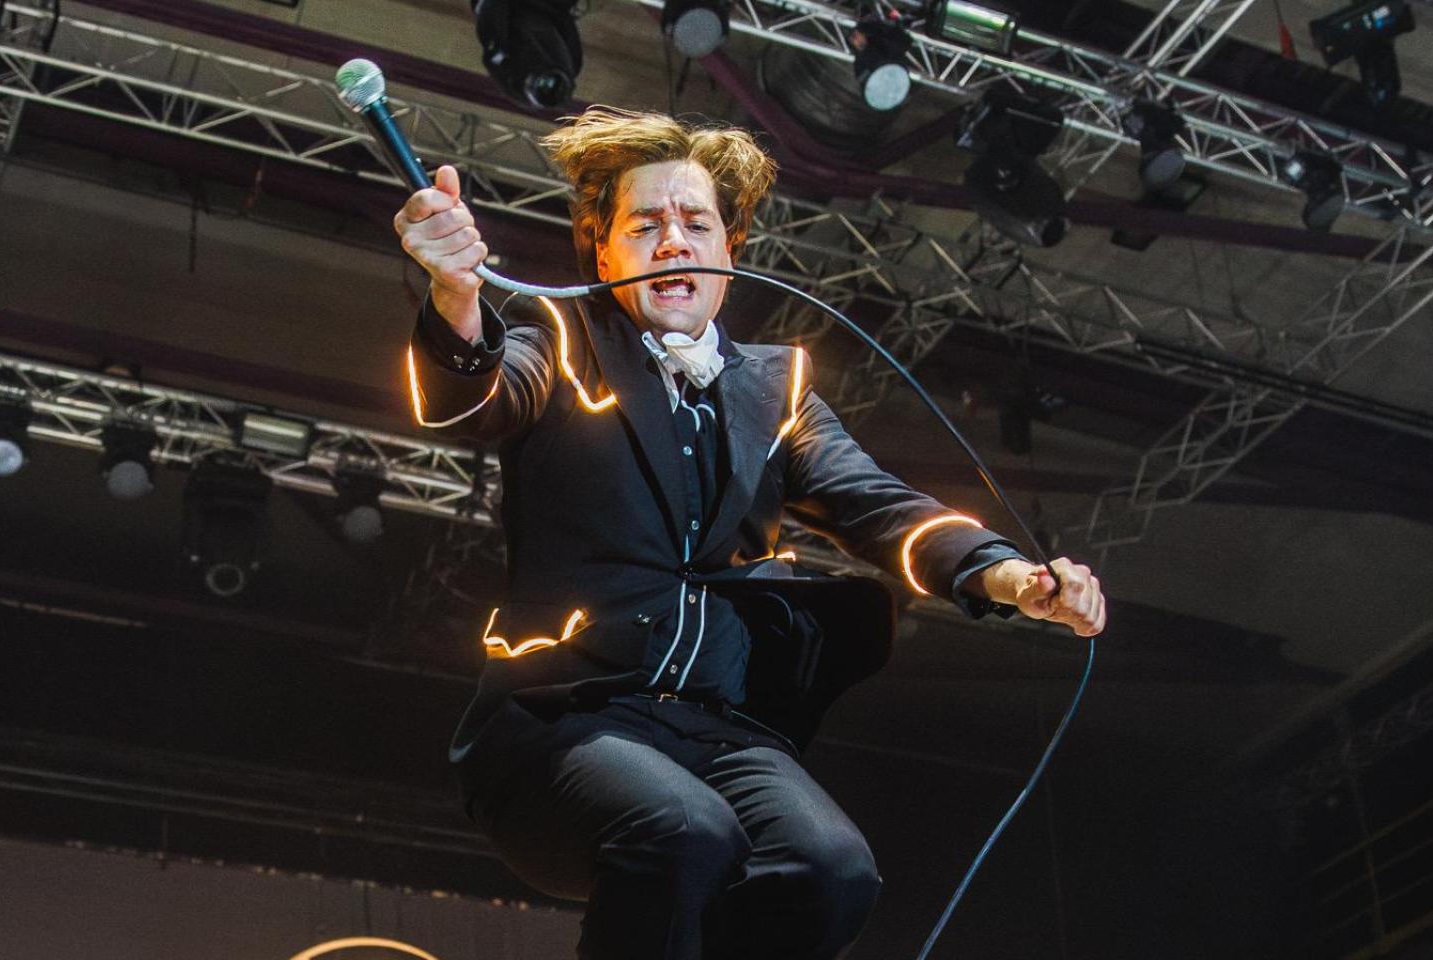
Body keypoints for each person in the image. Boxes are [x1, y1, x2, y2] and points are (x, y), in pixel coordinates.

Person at [392, 107, 1106, 960]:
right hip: (564, 719)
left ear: (729, 249)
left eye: (695, 223)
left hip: (719, 727)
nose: (672, 241)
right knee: (688, 831)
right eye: (645, 225)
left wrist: (1006, 576)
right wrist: (455, 295)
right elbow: (472, 394)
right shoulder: (561, 337)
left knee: (830, 868)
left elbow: (873, 505)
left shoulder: (777, 386)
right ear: (602, 248)